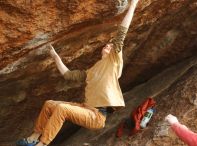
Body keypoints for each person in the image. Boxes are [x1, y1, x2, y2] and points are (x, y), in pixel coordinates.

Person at [16, 0, 140, 146]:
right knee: (49, 104)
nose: (108, 45)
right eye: (106, 44)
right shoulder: (92, 71)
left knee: (62, 109)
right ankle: (32, 139)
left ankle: (42, 144)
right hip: (85, 108)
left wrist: (132, 5)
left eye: (112, 46)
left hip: (97, 116)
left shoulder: (113, 62)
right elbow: (68, 75)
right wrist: (55, 56)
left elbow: (121, 33)